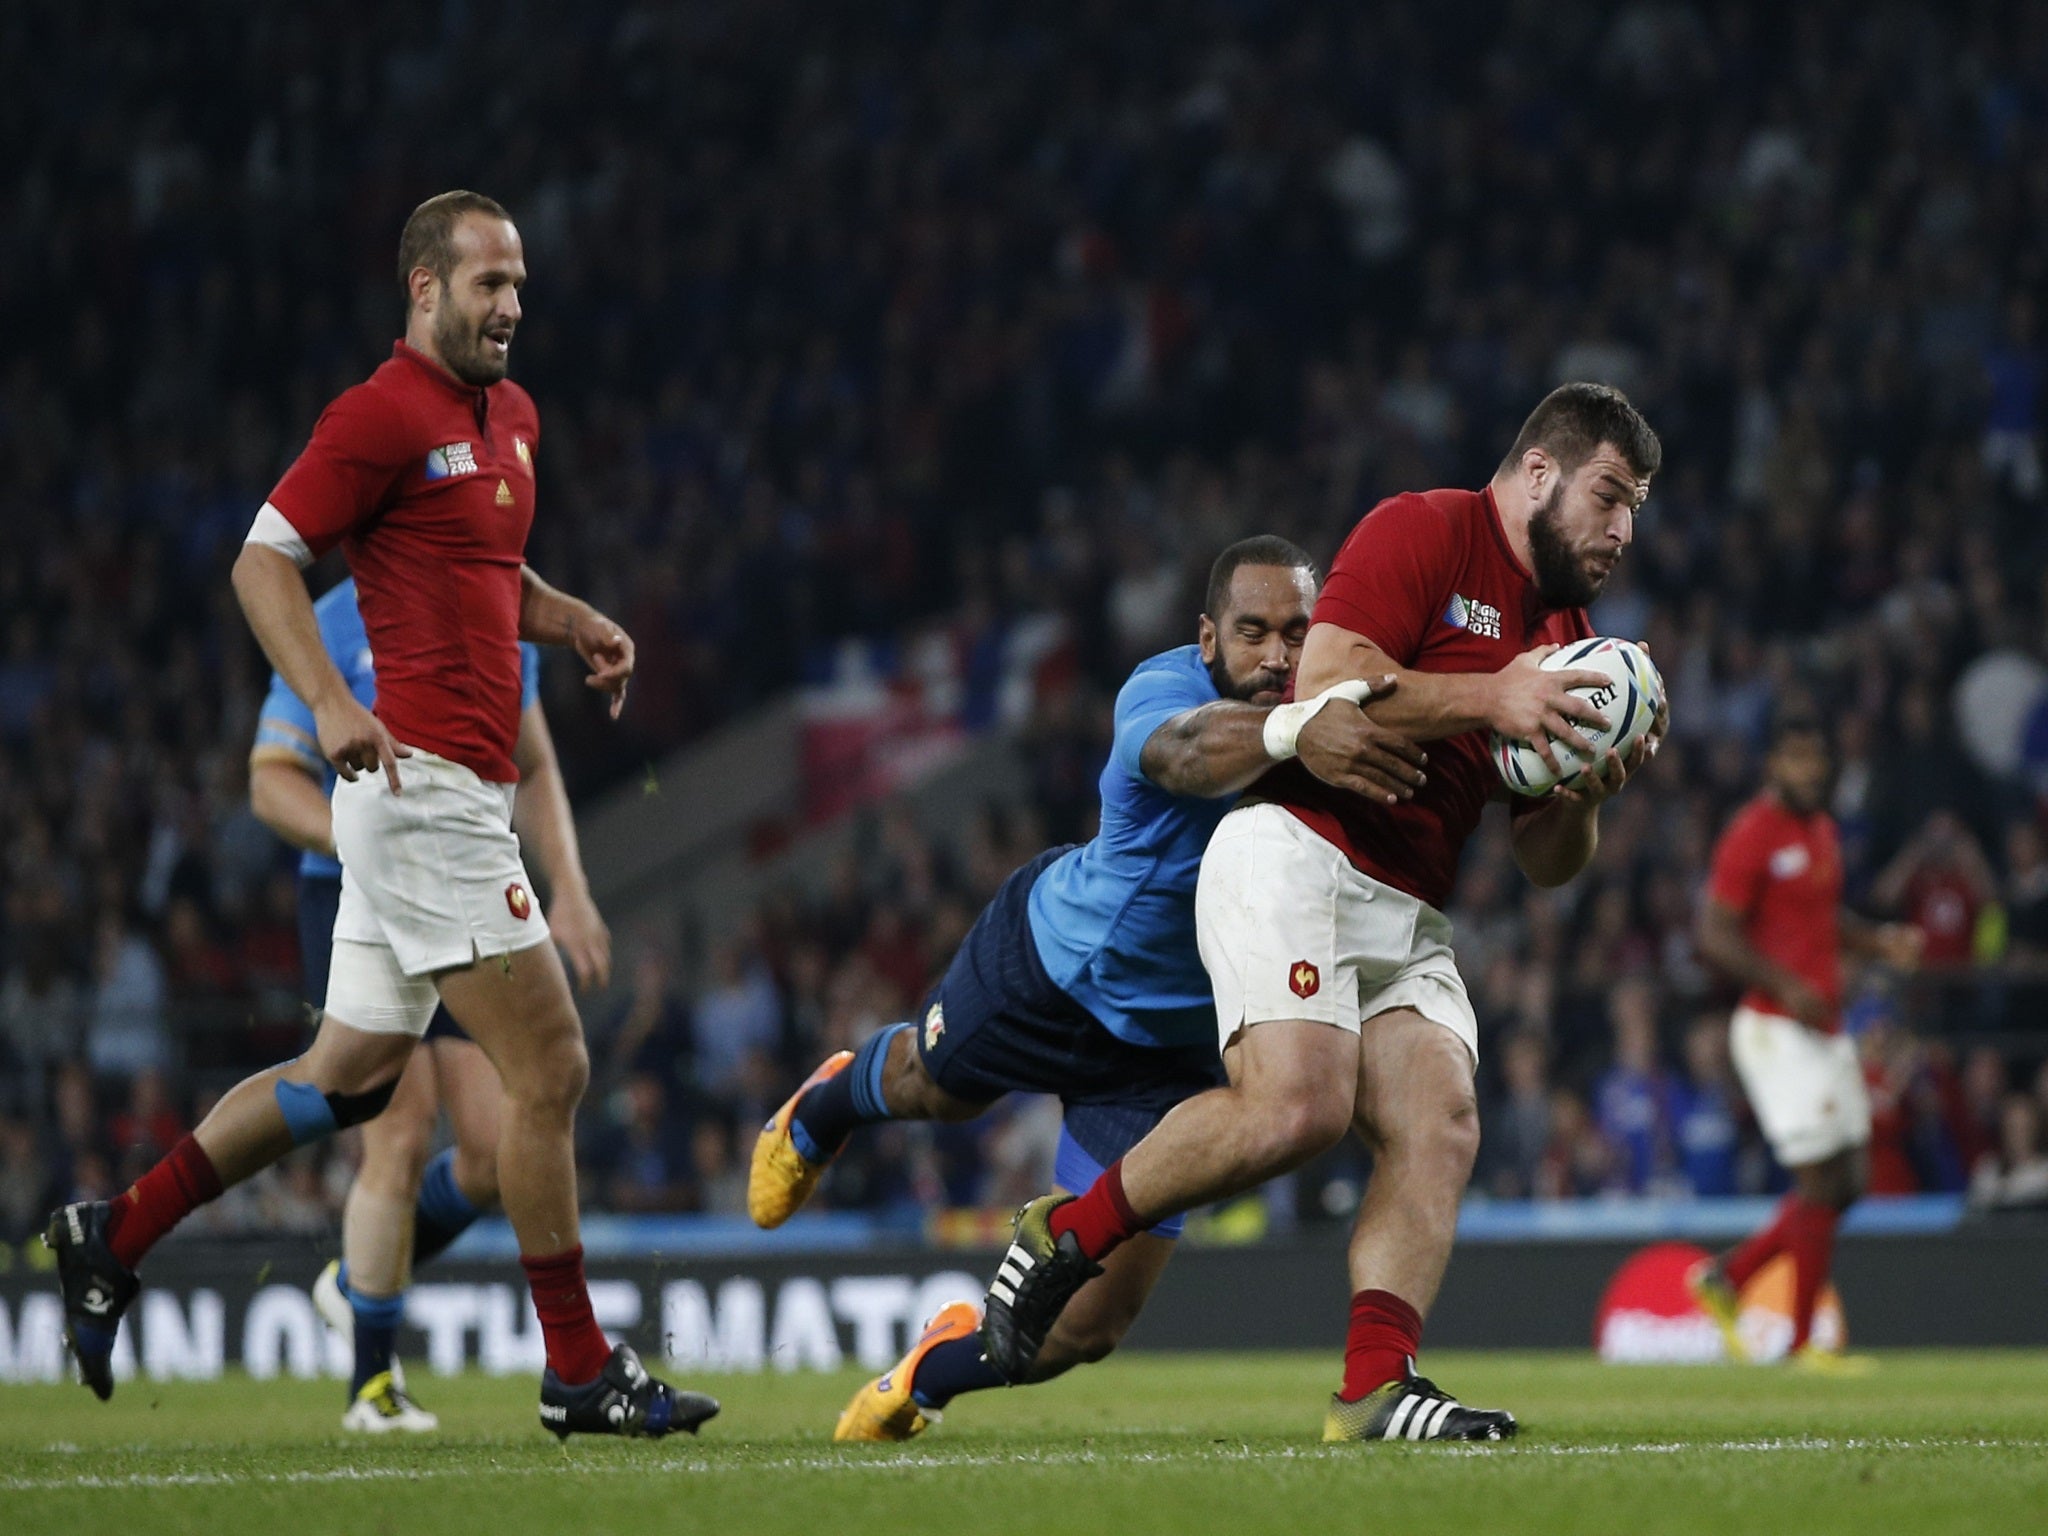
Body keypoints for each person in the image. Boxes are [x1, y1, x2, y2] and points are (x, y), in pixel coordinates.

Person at [45, 190, 714, 1439]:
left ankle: (112, 1231)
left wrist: (573, 622)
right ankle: (577, 1371)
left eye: (518, 284)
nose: (512, 306)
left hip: (440, 806)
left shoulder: (511, 419)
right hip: (426, 805)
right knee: (553, 1064)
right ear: (423, 289)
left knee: (344, 1083)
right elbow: (261, 559)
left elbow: (484, 572)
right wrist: (323, 700)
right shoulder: (375, 416)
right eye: (486, 285)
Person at [979, 382, 1666, 1443]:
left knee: (1439, 1119)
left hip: (1404, 907)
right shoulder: (1424, 528)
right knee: (1293, 1109)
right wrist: (1497, 697)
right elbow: (1331, 678)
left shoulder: (1568, 635)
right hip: (1295, 849)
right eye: (1609, 496)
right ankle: (1062, 1234)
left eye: (1635, 508)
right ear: (1538, 473)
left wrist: (1585, 795)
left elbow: (1543, 861)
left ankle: (1376, 1390)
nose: (1622, 529)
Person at [748, 536, 1427, 1441]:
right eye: (1253, 631)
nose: (1276, 656)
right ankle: (826, 1105)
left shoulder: (1338, 730)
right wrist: (1296, 730)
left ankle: (927, 1372)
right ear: (1207, 639)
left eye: (1298, 634)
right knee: (935, 1093)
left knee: (1081, 1327)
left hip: (1170, 1059)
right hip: (1053, 969)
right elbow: (1185, 755)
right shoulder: (1166, 690)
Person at [248, 574, 612, 1431]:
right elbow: (270, 779)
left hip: (462, 883)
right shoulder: (335, 619)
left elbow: (536, 760)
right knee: (401, 1132)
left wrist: (573, 890)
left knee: (491, 1153)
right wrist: (369, 834)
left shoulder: (494, 600)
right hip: (355, 896)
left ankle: (357, 1280)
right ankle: (372, 1385)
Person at [1690, 711, 1922, 1370]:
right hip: (1773, 1028)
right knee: (1822, 1179)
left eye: (1816, 758)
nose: (1809, 770)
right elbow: (1714, 932)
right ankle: (1797, 1345)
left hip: (1822, 1027)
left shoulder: (1821, 830)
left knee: (1847, 1180)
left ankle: (1727, 1280)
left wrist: (1879, 939)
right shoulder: (1752, 834)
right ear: (1772, 765)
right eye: (1796, 759)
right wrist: (1783, 984)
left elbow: (1824, 918)